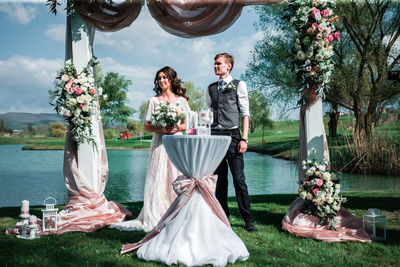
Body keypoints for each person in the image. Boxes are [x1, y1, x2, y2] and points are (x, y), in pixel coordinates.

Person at [111, 66, 190, 232]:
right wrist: (162, 129)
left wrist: (176, 128)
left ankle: (177, 211)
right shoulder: (153, 101)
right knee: (159, 176)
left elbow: (188, 124)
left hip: (176, 142)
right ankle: (157, 212)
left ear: (171, 79)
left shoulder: (182, 101)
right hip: (159, 144)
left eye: (164, 77)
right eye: (159, 78)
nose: (161, 81)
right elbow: (147, 126)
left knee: (175, 175)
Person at [206, 53, 257, 232]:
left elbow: (245, 113)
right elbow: (207, 114)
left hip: (234, 137)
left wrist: (244, 138)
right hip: (215, 138)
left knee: (239, 180)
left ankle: (248, 219)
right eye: (215, 63)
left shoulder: (239, 85)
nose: (215, 66)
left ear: (229, 66)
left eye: (219, 63)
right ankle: (223, 217)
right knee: (220, 182)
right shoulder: (211, 88)